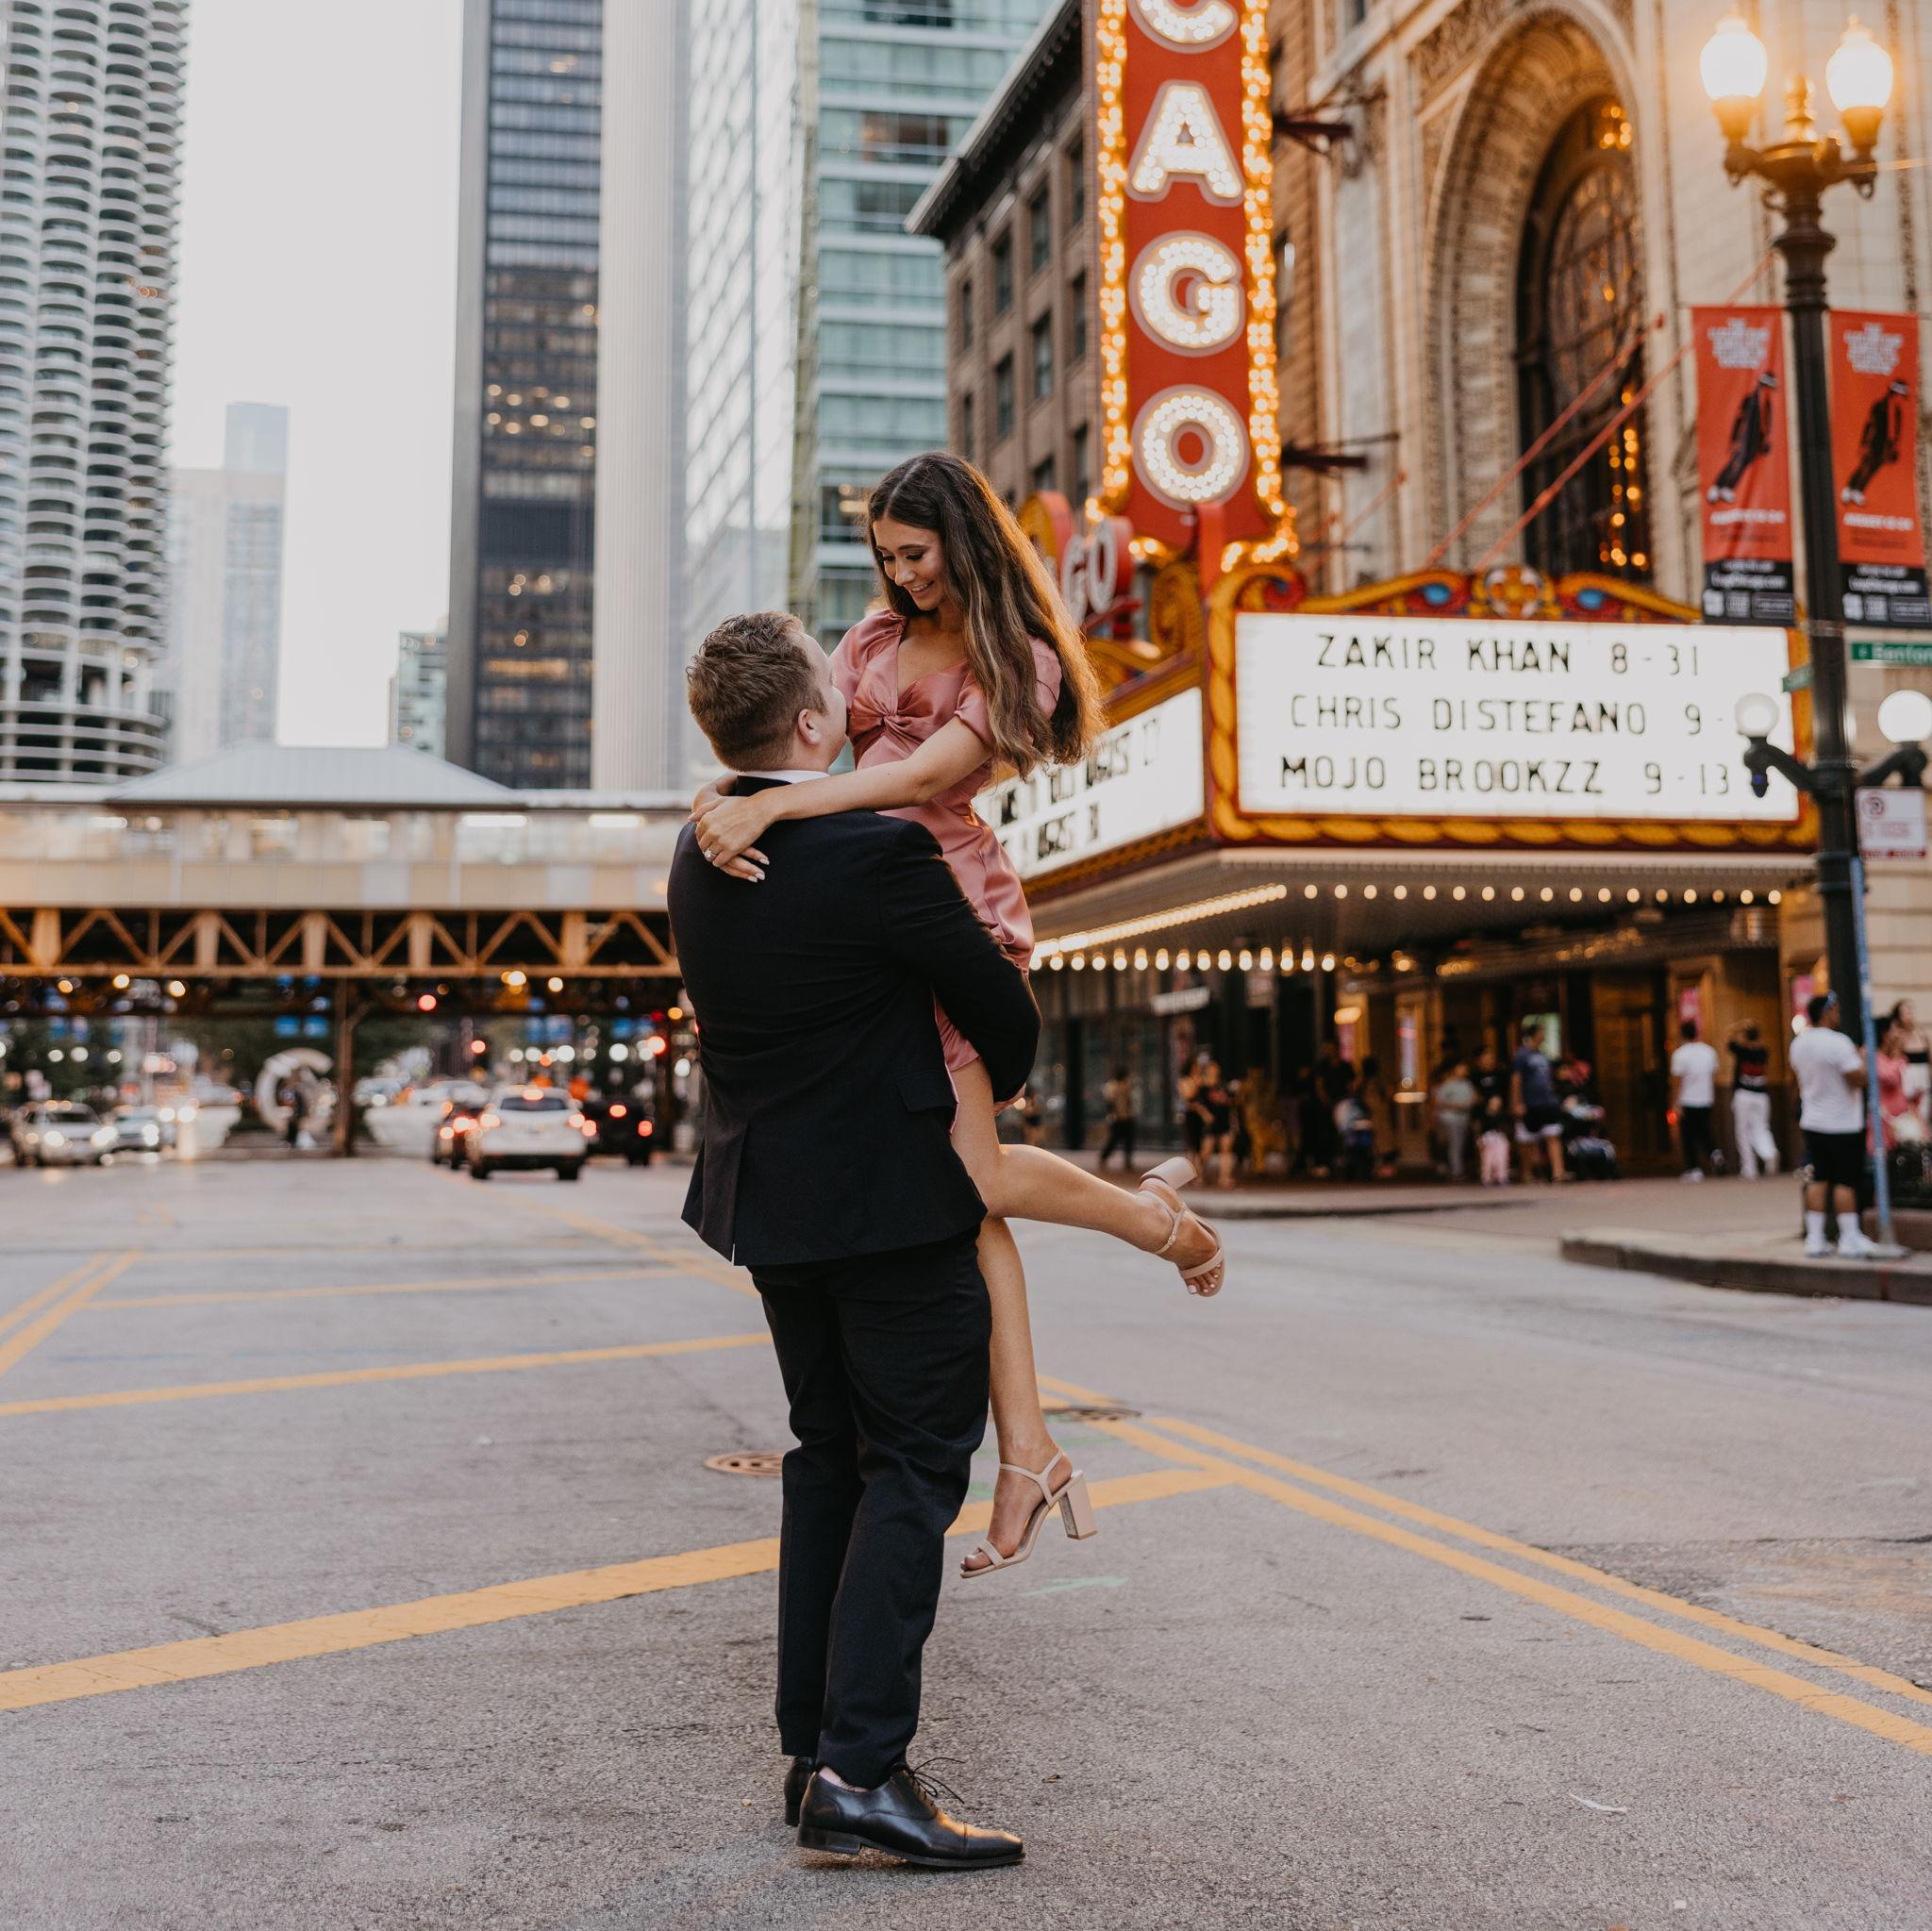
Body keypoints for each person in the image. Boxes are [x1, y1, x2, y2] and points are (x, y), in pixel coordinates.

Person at [689, 455, 1223, 1581]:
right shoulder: (871, 644)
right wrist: (725, 794)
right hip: (860, 924)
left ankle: (1153, 1224)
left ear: (964, 543)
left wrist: (776, 802)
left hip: (947, 912)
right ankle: (1027, 1447)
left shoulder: (1012, 658)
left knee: (969, 1182)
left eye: (915, 554)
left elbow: (914, 774)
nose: (897, 575)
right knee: (957, 1199)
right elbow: (797, 732)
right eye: (883, 555)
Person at [671, 613, 1043, 1865]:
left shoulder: (698, 848)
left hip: (772, 1205)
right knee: (918, 1463)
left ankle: (809, 1747)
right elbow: (999, 1002)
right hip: (891, 1206)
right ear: (821, 721)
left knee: (830, 1453)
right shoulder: (876, 851)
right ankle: (863, 1769)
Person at [1790, 991, 1874, 1259]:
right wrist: (1863, 1059)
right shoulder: (1838, 1043)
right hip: (1842, 1123)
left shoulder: (1799, 1044)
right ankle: (1849, 1237)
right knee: (1845, 1181)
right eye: (1835, 1010)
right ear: (1826, 1012)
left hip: (1813, 1120)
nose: (1838, 1015)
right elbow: (1858, 1078)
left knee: (1818, 1177)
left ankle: (1815, 1238)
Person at [1509, 1023, 1568, 1183]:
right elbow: (1516, 1080)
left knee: (1553, 1135)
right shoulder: (1521, 1055)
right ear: (1533, 1034)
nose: (1543, 1036)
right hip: (1529, 1102)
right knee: (1527, 1140)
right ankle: (1527, 1173)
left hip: (1547, 1102)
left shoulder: (1544, 1055)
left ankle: (1558, 1172)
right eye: (1542, 1032)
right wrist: (1516, 1102)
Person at [1726, 1019, 1778, 1178]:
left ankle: (1749, 1167)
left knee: (1743, 1131)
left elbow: (1728, 1037)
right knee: (1762, 1127)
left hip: (1743, 1094)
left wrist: (1739, 1026)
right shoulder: (1763, 1052)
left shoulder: (1741, 1050)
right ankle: (1769, 1152)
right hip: (1761, 1095)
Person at [1670, 1019, 1720, 1181]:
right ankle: (1715, 1153)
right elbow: (1714, 1074)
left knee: (1688, 1136)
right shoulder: (1709, 1052)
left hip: (1687, 1100)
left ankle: (1694, 1168)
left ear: (1682, 1034)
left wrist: (1675, 1102)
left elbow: (1677, 1080)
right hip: (1706, 1099)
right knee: (1705, 1132)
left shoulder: (1680, 1054)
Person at [1433, 1059, 1477, 1182]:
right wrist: (1456, 1105)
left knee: (1460, 1145)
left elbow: (1473, 1098)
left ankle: (1456, 1169)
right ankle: (1456, 1171)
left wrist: (1467, 1104)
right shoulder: (1448, 1084)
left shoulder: (1467, 1084)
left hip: (1463, 1119)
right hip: (1450, 1119)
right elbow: (1439, 1101)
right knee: (1454, 1145)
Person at [1196, 1057, 1237, 1189]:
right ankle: (1198, 1175)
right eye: (1212, 1069)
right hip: (1210, 1122)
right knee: (1206, 1151)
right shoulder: (1202, 1087)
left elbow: (1232, 1102)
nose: (1214, 1071)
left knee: (1226, 1149)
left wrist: (1226, 1100)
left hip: (1223, 1120)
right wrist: (1205, 1115)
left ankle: (1224, 1178)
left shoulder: (1223, 1085)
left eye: (1216, 1069)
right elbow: (1197, 1104)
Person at [1891, 999, 1930, 1135]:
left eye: (1911, 1011)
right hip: (1908, 1083)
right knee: (1912, 1119)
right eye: (1905, 1012)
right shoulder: (1898, 1038)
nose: (1910, 1015)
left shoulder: (1922, 1035)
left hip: (1923, 1082)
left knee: (1924, 1117)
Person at [1098, 1064, 1138, 1170]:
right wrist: (1114, 1114)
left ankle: (1128, 1160)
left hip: (1127, 1115)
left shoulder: (1126, 1085)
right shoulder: (1111, 1086)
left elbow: (1130, 1101)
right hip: (1116, 1117)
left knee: (1129, 1139)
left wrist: (1130, 1113)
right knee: (1114, 1139)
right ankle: (1104, 1157)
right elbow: (1109, 1102)